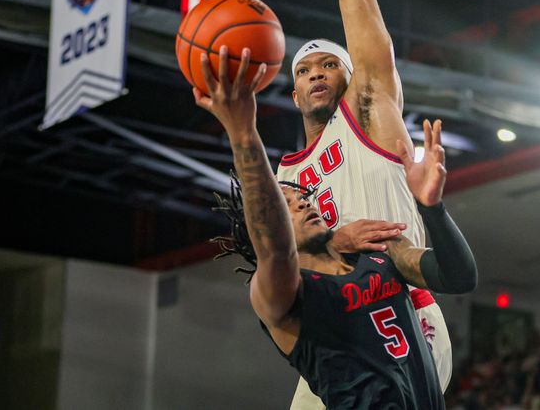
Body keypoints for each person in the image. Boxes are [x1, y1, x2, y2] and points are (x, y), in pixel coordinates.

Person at [223, 0, 456, 406]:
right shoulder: (286, 177)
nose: (317, 75)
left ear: (353, 79)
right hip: (335, 322)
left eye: (330, 65)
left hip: (403, 308)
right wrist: (333, 243)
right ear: (292, 93)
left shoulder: (369, 112)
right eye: (305, 71)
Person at [193, 48, 477, 409]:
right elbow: (276, 246)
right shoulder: (282, 294)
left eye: (302, 198)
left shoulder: (378, 252)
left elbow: (460, 278)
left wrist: (432, 208)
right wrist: (242, 132)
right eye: (286, 206)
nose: (302, 203)